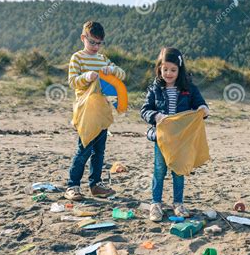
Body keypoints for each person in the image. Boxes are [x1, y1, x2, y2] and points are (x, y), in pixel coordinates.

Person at [140, 47, 210, 222]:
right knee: (159, 170)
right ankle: (155, 203)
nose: (169, 73)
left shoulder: (189, 88)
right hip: (161, 138)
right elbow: (145, 110)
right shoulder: (155, 89)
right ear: (159, 69)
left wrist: (203, 109)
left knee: (179, 171)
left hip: (181, 139)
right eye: (165, 69)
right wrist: (155, 116)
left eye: (173, 70)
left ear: (180, 70)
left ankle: (178, 203)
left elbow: (200, 104)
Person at [64, 21, 126, 201]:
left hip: (103, 111)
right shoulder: (77, 57)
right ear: (83, 38)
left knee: (99, 151)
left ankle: (96, 185)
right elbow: (72, 81)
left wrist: (112, 69)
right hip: (85, 112)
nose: (95, 47)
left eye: (99, 43)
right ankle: (72, 186)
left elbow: (122, 75)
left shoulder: (103, 58)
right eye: (92, 42)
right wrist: (86, 76)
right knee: (83, 149)